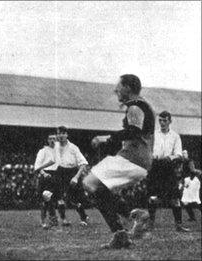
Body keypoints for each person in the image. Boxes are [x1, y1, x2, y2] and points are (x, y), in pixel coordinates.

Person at [79, 74, 155, 249]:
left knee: (89, 183)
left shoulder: (135, 107)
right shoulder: (144, 106)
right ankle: (121, 235)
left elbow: (134, 132)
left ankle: (135, 214)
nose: (116, 90)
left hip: (133, 158)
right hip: (141, 161)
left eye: (119, 86)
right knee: (98, 189)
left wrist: (107, 138)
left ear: (128, 87)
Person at [147, 111, 189, 232]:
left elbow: (179, 154)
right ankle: (150, 224)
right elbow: (149, 150)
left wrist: (170, 158)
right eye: (160, 120)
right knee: (152, 196)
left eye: (165, 120)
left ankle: (179, 225)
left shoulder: (175, 136)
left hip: (169, 167)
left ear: (170, 121)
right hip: (155, 167)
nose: (162, 123)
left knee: (174, 197)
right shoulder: (154, 135)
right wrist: (152, 156)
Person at [54, 126, 90, 227]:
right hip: (60, 172)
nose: (61, 135)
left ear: (67, 134)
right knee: (60, 198)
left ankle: (83, 218)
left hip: (73, 172)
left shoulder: (73, 148)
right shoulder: (55, 146)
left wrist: (76, 177)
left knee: (76, 199)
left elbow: (83, 164)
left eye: (63, 133)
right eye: (59, 133)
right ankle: (64, 219)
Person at [33, 133, 58, 229]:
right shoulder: (43, 151)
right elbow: (37, 165)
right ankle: (43, 221)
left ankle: (53, 221)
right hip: (45, 176)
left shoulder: (58, 152)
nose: (52, 140)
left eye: (54, 139)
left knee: (56, 200)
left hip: (56, 176)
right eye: (50, 138)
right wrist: (44, 173)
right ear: (47, 140)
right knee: (45, 199)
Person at [180, 150, 202, 222]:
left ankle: (192, 217)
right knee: (186, 201)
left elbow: (193, 170)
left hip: (192, 181)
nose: (183, 155)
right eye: (182, 153)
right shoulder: (181, 162)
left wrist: (199, 172)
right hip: (188, 181)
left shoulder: (189, 161)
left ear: (187, 154)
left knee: (194, 201)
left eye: (185, 153)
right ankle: (192, 217)